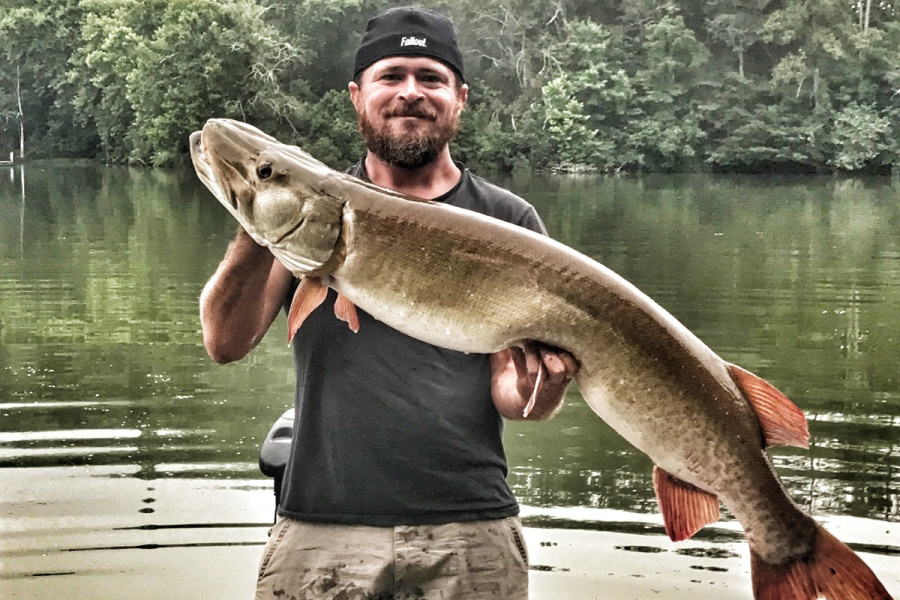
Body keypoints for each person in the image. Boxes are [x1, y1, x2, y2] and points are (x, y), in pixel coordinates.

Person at [200, 6, 579, 599]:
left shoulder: (510, 221)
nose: (411, 93)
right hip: (320, 528)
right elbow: (224, 343)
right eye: (391, 75)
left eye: (430, 77)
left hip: (469, 530)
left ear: (460, 98)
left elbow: (512, 397)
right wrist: (255, 220)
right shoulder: (308, 211)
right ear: (357, 95)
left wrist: (546, 385)